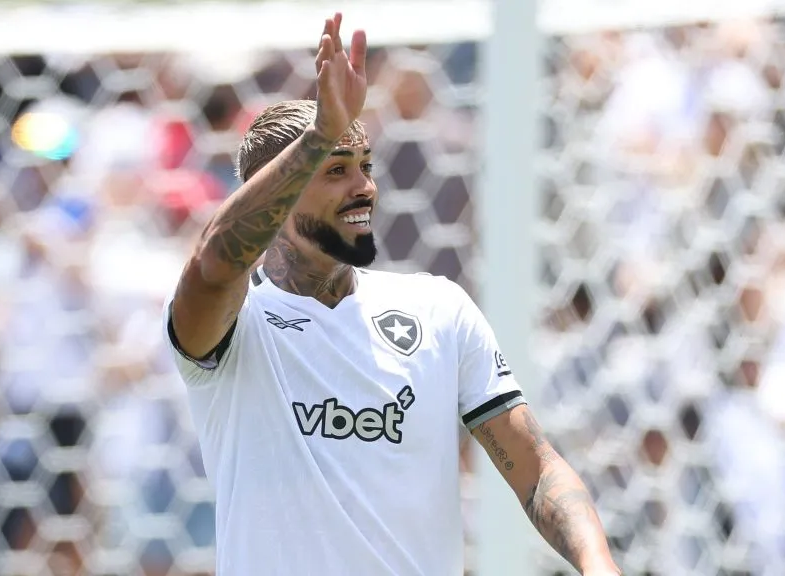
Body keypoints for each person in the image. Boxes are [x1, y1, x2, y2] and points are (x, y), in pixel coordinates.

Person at [161, 13, 621, 576]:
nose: (364, 187)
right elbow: (212, 264)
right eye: (335, 170)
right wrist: (317, 134)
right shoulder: (234, 328)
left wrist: (599, 567)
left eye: (365, 166)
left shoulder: (438, 310)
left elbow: (537, 469)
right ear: (275, 201)